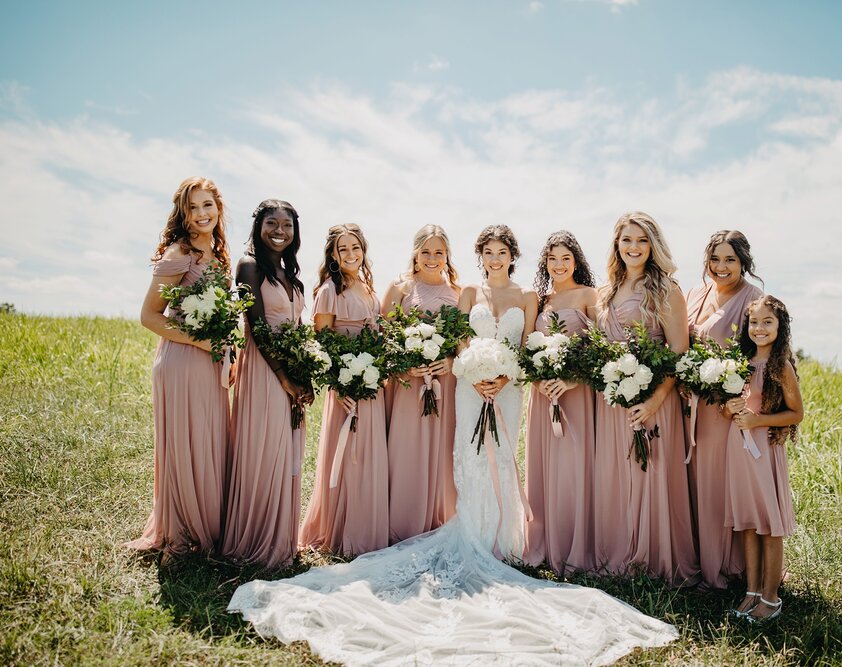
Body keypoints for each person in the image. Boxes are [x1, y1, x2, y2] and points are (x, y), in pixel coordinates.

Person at [228, 224, 678, 665]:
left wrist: (504, 374)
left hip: (510, 386)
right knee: (471, 457)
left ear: (513, 258)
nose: (495, 259)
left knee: (502, 458)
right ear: (480, 256)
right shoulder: (465, 294)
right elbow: (461, 342)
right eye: (489, 253)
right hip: (468, 384)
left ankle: (505, 538)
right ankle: (473, 529)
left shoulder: (527, 297)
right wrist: (474, 370)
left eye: (503, 253)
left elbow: (524, 346)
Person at [127, 176, 230, 561]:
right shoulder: (179, 254)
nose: (202, 214)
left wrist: (225, 351)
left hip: (211, 364)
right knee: (186, 444)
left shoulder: (218, 254)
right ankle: (182, 536)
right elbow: (149, 316)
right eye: (193, 207)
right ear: (183, 214)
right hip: (181, 361)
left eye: (208, 205)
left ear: (218, 209)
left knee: (208, 442)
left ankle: (206, 527)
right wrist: (201, 341)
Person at [592, 212, 699, 584]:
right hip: (612, 401)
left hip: (654, 399)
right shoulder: (608, 290)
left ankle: (652, 560)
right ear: (616, 245)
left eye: (641, 240)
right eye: (626, 240)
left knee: (648, 472)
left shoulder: (666, 290)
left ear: (653, 245)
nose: (633, 247)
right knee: (617, 474)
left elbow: (679, 352)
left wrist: (655, 400)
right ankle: (619, 554)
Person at [223, 200, 311, 569]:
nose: (279, 231)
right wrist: (284, 377)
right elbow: (256, 327)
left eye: (287, 225)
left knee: (286, 450)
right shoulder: (249, 266)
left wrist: (305, 372)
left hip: (289, 371)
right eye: (271, 223)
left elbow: (298, 330)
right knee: (264, 448)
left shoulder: (293, 277)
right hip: (264, 370)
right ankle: (256, 540)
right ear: (258, 227)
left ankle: (283, 539)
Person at [299, 224, 389, 557]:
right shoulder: (328, 290)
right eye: (343, 249)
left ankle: (369, 526)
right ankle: (342, 531)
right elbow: (322, 342)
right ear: (333, 255)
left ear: (363, 250)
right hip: (347, 388)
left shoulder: (368, 288)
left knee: (369, 455)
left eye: (355, 248)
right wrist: (341, 384)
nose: (350, 255)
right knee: (349, 456)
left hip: (372, 384)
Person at [685, 230, 764, 589]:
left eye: (730, 259)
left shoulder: (754, 299)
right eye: (715, 259)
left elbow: (760, 357)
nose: (721, 267)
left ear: (744, 261)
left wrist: (741, 398)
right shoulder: (695, 294)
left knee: (718, 484)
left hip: (725, 411)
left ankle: (726, 567)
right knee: (693, 482)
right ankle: (699, 560)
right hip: (689, 407)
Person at [523, 230, 598, 575]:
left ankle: (575, 546)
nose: (558, 265)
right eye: (552, 259)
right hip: (543, 396)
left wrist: (570, 381)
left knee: (573, 468)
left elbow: (601, 349)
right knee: (545, 467)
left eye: (565, 258)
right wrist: (539, 381)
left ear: (576, 261)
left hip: (576, 395)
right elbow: (527, 348)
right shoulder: (541, 300)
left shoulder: (589, 295)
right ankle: (545, 543)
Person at [724, 295, 803, 621]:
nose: (759, 328)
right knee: (748, 522)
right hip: (738, 450)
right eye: (754, 322)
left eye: (767, 322)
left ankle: (771, 597)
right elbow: (728, 401)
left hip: (764, 449)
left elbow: (796, 413)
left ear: (780, 326)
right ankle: (752, 591)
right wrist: (728, 407)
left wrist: (758, 421)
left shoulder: (779, 367)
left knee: (769, 525)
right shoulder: (738, 363)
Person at [382, 225, 462, 542]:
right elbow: (383, 335)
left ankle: (437, 519)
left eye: (439, 252)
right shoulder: (400, 288)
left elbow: (462, 343)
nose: (432, 258)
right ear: (416, 253)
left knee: (441, 451)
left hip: (444, 383)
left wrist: (452, 362)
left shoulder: (457, 292)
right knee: (405, 449)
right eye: (426, 251)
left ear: (447, 256)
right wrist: (405, 362)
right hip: (407, 383)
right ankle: (401, 522)